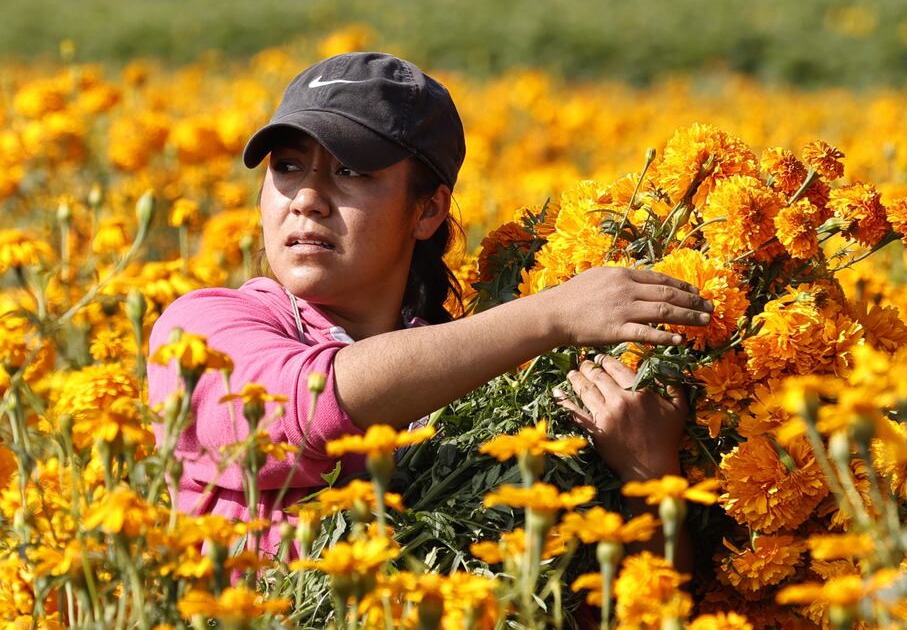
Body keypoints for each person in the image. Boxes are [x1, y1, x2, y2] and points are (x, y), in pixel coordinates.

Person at [147, 51, 714, 561]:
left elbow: (615, 605)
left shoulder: (487, 392)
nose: (308, 200)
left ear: (427, 210)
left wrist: (648, 474)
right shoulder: (200, 329)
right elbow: (305, 411)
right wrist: (554, 314)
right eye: (287, 168)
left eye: (351, 172)